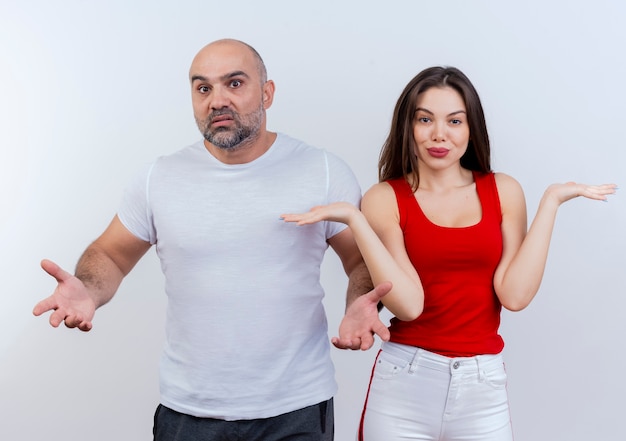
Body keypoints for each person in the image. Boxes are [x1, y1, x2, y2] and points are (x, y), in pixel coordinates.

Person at [32, 38, 398, 441]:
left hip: (295, 408)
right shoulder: (160, 177)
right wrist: (87, 288)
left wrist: (359, 304)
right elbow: (111, 254)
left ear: (267, 92)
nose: (217, 100)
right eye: (203, 88)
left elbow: (361, 258)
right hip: (189, 412)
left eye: (235, 83)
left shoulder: (323, 171)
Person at [282, 66, 617, 441]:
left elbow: (515, 295)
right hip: (403, 384)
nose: (438, 134)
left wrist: (551, 202)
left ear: (471, 127)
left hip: (483, 385)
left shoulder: (503, 191)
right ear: (407, 126)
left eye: (454, 121)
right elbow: (409, 306)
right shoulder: (385, 199)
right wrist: (354, 220)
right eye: (425, 119)